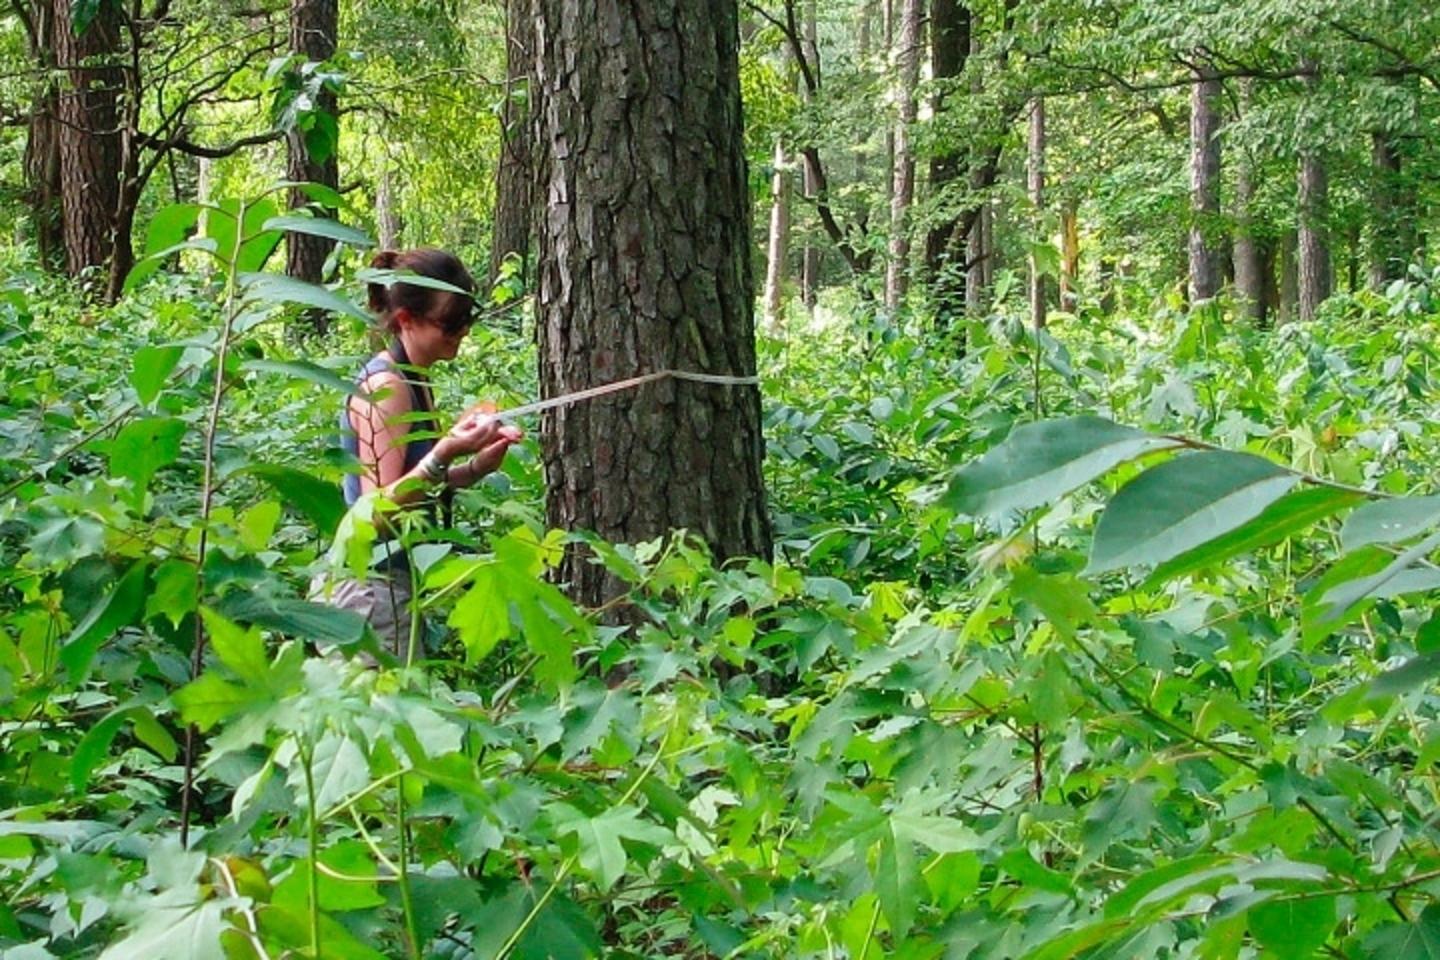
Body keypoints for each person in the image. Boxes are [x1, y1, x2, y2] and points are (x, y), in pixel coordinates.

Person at [319, 248, 522, 660]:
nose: (462, 331)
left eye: (469, 317)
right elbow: (376, 512)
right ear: (407, 321)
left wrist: (473, 467)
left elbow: (416, 484)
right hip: (369, 593)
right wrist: (445, 450)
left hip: (396, 587)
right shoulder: (387, 387)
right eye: (450, 322)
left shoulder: (415, 377)